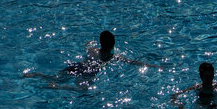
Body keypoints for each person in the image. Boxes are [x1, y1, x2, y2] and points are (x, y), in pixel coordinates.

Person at [23, 31, 160, 89]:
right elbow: (133, 62)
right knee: (81, 90)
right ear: (113, 45)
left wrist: (88, 43)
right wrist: (152, 66)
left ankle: (36, 75)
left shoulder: (92, 50)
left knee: (54, 77)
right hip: (89, 72)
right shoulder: (112, 57)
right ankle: (59, 88)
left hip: (77, 66)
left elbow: (87, 45)